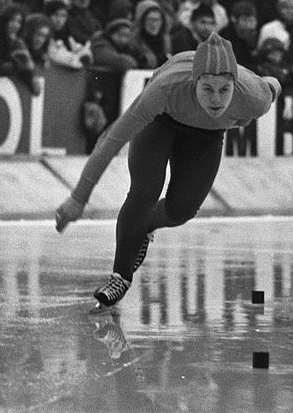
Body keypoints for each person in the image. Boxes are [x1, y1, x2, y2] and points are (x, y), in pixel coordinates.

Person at [55, 32, 281, 312]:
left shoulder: (254, 97)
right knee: (144, 191)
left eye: (224, 90)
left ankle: (145, 227)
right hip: (162, 122)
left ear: (236, 85)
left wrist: (257, 101)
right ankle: (120, 276)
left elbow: (273, 86)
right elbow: (112, 139)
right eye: (207, 88)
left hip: (208, 137)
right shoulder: (164, 88)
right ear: (194, 81)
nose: (215, 99)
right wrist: (79, 197)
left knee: (181, 211)